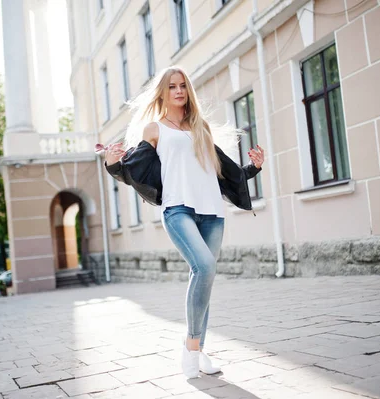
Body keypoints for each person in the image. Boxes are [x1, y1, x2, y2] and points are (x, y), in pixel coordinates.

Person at [103, 66, 264, 379]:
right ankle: (191, 348)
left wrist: (252, 169)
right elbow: (133, 170)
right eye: (172, 86)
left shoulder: (199, 127)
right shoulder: (154, 129)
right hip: (178, 210)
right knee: (204, 267)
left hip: (211, 212)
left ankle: (199, 350)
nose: (178, 91)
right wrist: (112, 164)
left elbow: (221, 170)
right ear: (163, 93)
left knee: (205, 277)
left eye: (183, 86)